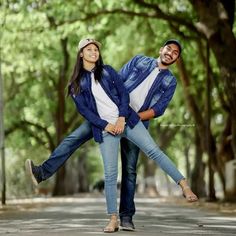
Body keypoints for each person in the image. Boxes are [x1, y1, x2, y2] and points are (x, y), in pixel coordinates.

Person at [25, 38, 198, 231]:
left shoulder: (168, 81)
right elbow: (117, 86)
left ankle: (127, 216)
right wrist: (108, 121)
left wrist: (126, 117)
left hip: (131, 119)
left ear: (177, 59)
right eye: (169, 49)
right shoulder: (138, 61)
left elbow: (157, 108)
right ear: (161, 49)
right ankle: (42, 173)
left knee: (131, 169)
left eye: (175, 53)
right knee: (73, 140)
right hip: (104, 119)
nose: (171, 53)